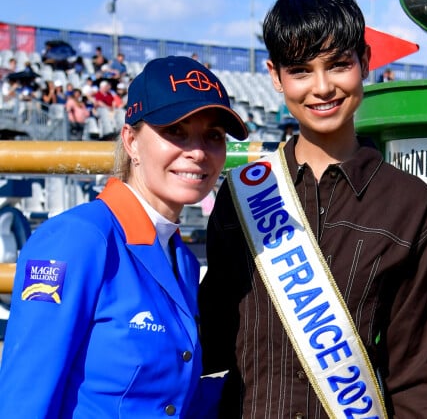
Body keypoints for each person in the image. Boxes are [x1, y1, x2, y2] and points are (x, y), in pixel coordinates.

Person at [199, 0, 427, 418]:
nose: (322, 87)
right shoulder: (241, 193)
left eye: (338, 65)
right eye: (300, 70)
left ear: (365, 63)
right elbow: (213, 340)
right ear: (275, 77)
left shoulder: (412, 205)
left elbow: (421, 374)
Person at [0, 56, 248, 417]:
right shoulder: (78, 239)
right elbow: (23, 401)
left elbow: (171, 398)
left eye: (213, 136)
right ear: (131, 141)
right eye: (176, 130)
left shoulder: (183, 260)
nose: (197, 152)